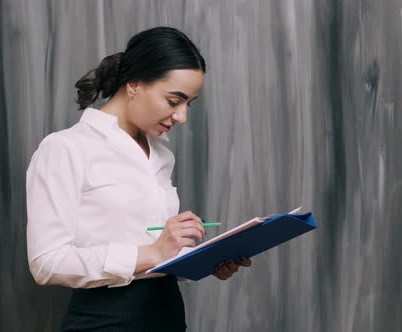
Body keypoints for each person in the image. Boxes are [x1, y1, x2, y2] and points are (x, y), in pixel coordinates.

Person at [25, 27, 251, 331]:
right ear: (134, 84)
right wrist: (150, 253)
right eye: (174, 100)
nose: (182, 117)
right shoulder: (65, 149)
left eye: (188, 104)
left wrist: (203, 260)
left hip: (168, 316)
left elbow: (150, 250)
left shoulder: (160, 154)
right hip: (106, 322)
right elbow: (47, 263)